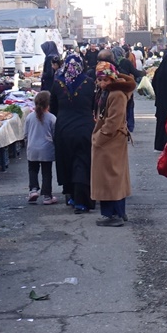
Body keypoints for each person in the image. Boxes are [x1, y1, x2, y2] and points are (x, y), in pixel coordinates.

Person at [91, 61, 136, 227]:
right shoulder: (111, 91)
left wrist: (98, 138)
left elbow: (113, 121)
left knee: (110, 178)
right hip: (112, 140)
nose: (102, 83)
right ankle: (117, 212)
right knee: (113, 177)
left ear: (112, 78)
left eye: (105, 79)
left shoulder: (116, 94)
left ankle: (113, 214)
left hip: (110, 141)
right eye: (100, 80)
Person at [53, 47, 97, 214]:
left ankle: (71, 195)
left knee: (67, 161)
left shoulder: (58, 83)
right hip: (85, 128)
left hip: (64, 128)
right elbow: (94, 105)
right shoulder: (89, 82)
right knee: (83, 162)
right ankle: (82, 200)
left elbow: (53, 107)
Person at [25, 90, 57, 205]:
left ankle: (33, 190)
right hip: (46, 149)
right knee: (47, 172)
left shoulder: (29, 117)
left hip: (32, 148)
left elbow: (26, 134)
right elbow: (54, 135)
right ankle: (47, 196)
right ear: (49, 104)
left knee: (32, 170)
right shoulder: (52, 118)